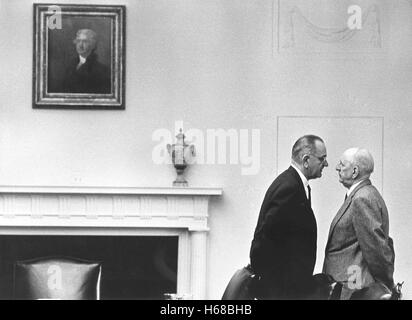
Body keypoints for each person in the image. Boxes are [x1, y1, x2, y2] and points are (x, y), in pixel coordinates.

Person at [249, 135, 328, 299]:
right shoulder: (290, 187)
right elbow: (264, 241)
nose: (325, 164)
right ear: (306, 160)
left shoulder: (294, 183)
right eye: (322, 159)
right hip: (281, 291)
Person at [323, 148, 395, 300]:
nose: (337, 168)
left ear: (354, 171)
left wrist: (387, 285)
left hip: (352, 291)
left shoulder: (362, 199)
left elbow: (376, 250)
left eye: (342, 165)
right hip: (351, 287)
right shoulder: (365, 195)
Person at [61, 29, 111, 94]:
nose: (80, 45)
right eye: (78, 41)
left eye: (85, 41)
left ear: (93, 45)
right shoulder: (70, 65)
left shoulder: (102, 70)